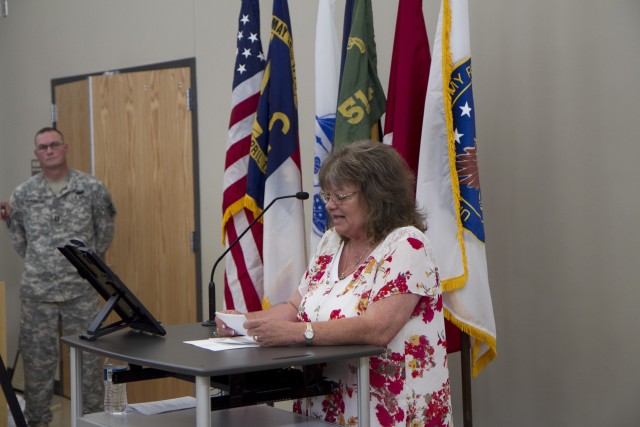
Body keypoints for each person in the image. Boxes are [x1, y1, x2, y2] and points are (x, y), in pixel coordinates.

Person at [216, 140, 452, 426]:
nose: (329, 205)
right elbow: (295, 305)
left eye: (341, 196)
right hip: (323, 403)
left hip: (391, 409)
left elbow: (378, 328)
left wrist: (295, 333)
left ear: (377, 196)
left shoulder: (408, 246)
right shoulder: (331, 242)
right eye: (328, 195)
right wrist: (246, 323)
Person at [1, 127, 116, 427]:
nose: (49, 150)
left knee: (89, 363)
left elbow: (103, 233)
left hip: (82, 290)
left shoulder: (91, 187)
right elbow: (19, 240)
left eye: (54, 144)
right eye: (42, 147)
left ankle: (93, 421)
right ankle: (37, 422)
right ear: (37, 154)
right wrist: (45, 263)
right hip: (38, 294)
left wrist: (83, 266)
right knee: (38, 367)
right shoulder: (23, 193)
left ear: (64, 148)